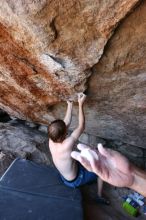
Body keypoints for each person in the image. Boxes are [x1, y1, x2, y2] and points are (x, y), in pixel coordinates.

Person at [48, 93, 108, 204]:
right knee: (101, 166)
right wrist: (80, 104)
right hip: (75, 180)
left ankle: (89, 177)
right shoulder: (67, 144)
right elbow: (81, 126)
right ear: (64, 135)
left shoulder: (51, 139)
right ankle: (99, 196)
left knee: (87, 153)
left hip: (65, 176)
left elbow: (65, 123)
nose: (66, 127)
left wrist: (70, 105)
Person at [71, 143, 146, 197]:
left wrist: (132, 179)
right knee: (98, 173)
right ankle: (99, 194)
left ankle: (99, 194)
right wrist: (132, 175)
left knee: (98, 173)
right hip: (76, 180)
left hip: (73, 180)